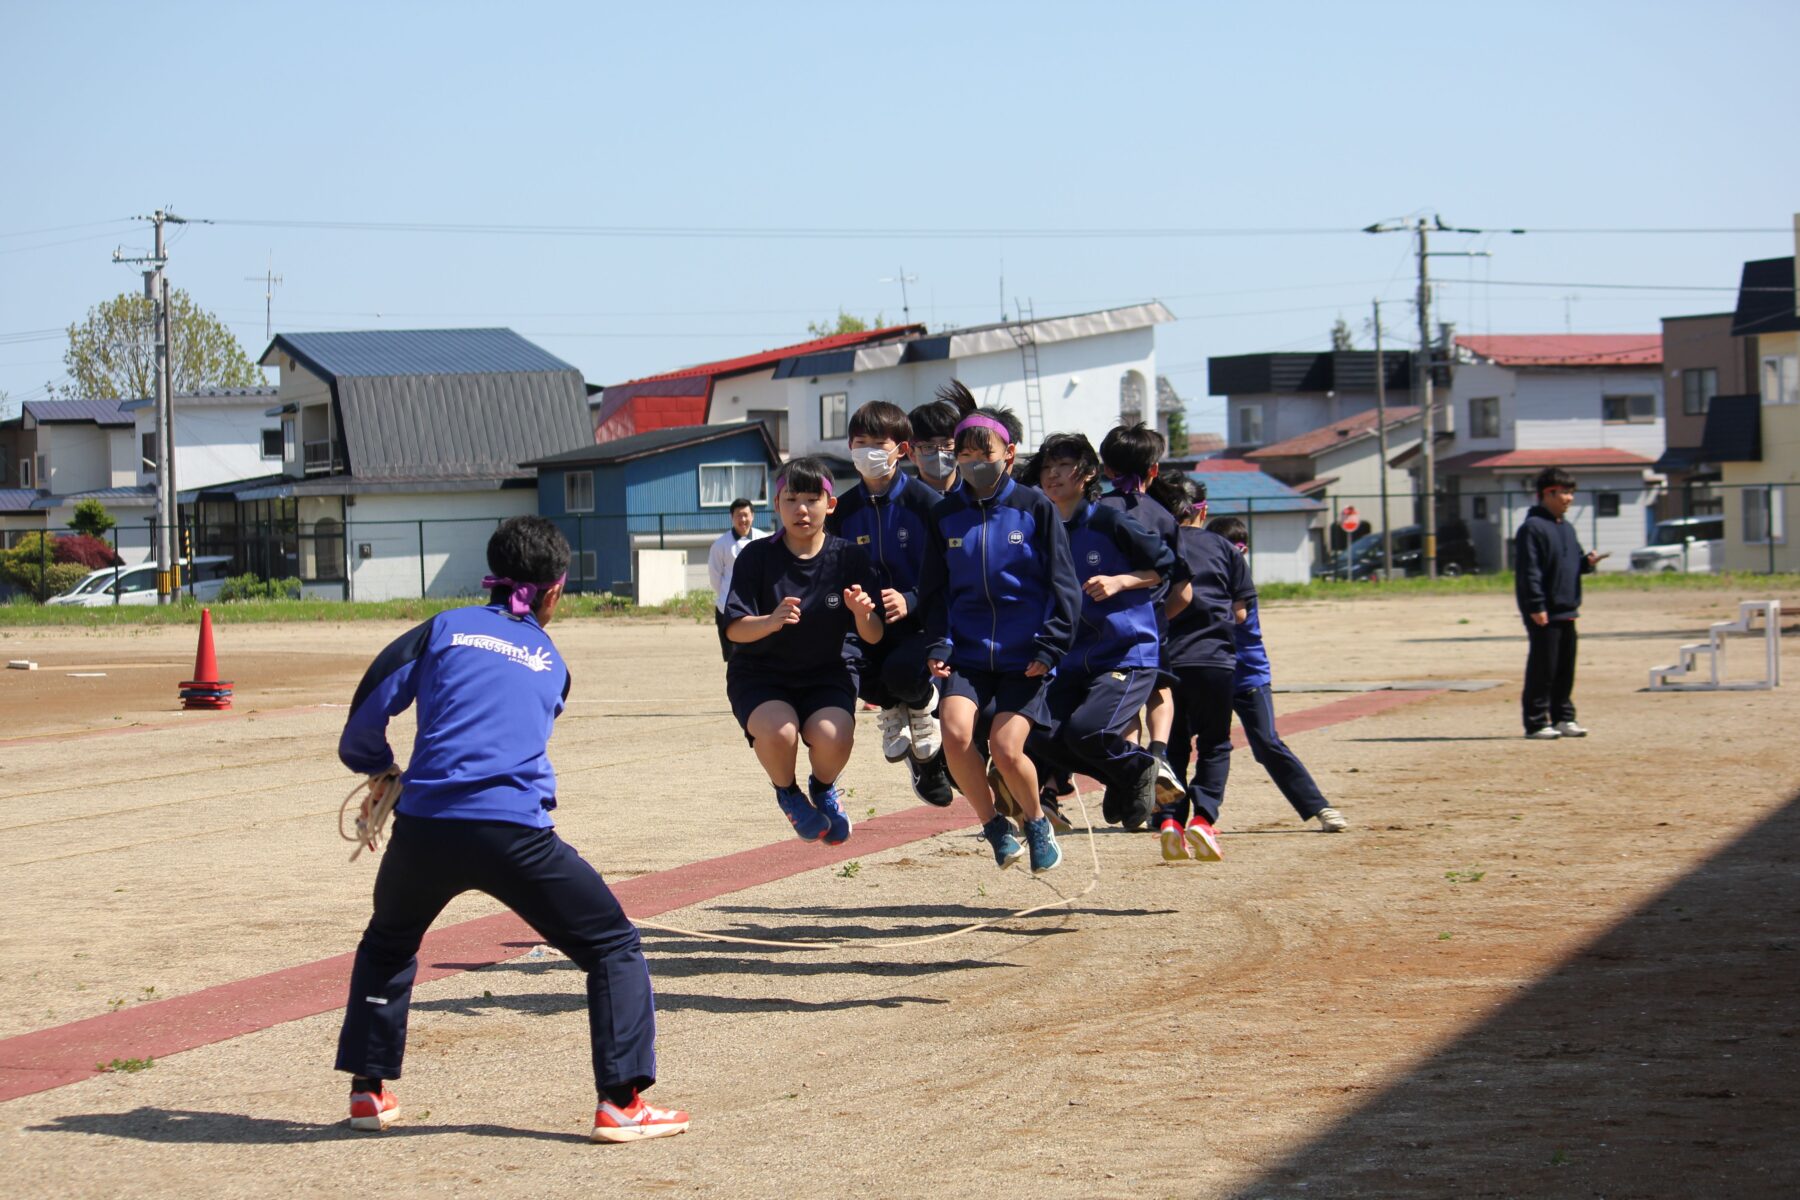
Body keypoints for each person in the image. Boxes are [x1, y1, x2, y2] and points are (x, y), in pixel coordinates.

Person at [334, 516, 688, 1143]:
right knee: (612, 947)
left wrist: (380, 769)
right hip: (513, 835)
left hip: (425, 829)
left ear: (491, 577)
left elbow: (365, 714)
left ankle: (369, 1090)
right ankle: (622, 1101)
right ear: (553, 592)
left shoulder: (441, 629)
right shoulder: (553, 662)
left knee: (388, 945)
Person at [917, 399, 1079, 874]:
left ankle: (1036, 823)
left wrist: (1051, 647)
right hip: (966, 655)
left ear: (1009, 454)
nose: (971, 462)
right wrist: (938, 642)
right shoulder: (944, 514)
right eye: (963, 454)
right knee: (954, 733)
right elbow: (935, 590)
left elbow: (1064, 587)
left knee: (1008, 750)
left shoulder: (1035, 509)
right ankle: (993, 827)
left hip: (1025, 656)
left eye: (982, 453)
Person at [1025, 432, 1183, 834]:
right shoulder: (1043, 527)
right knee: (1040, 734)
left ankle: (1144, 766)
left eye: (1064, 467)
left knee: (1086, 731)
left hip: (1125, 653)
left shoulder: (1110, 520)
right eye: (1047, 468)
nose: (1053, 475)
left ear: (1089, 473)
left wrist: (1122, 581)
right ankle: (1126, 777)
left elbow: (1169, 569)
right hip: (1072, 658)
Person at [724, 456, 884, 842]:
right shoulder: (756, 557)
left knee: (835, 734)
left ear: (830, 505)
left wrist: (863, 615)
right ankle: (788, 793)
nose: (801, 509)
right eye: (791, 499)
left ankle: (823, 786)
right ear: (776, 505)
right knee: (781, 732)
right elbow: (734, 630)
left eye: (812, 499)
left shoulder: (849, 557)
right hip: (762, 675)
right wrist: (770, 621)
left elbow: (875, 635)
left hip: (826, 672)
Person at [1206, 515, 1349, 835]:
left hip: (1248, 676)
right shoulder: (1203, 577)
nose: (1234, 556)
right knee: (1178, 741)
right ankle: (1163, 812)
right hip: (1210, 675)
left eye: (1239, 550)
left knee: (1267, 743)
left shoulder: (1238, 581)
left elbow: (1236, 615)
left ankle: (1319, 807)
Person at [826, 401, 942, 770]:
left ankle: (922, 703)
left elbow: (952, 571)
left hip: (921, 623)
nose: (869, 451)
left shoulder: (927, 504)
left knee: (902, 672)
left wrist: (913, 599)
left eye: (879, 443)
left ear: (901, 450)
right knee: (840, 666)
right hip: (866, 623)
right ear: (849, 447)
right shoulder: (840, 512)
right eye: (861, 442)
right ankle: (892, 708)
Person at [1150, 473, 1255, 862]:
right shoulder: (1224, 548)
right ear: (1203, 511)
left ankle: (1171, 820)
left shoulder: (1157, 546)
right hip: (1214, 660)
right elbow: (1241, 612)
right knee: (1214, 742)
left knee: (1174, 744)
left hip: (1169, 662)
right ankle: (1204, 819)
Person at [1096, 423, 1188, 817]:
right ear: (1153, 469)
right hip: (1150, 623)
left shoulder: (1095, 510)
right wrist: (1158, 616)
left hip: (1102, 624)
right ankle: (1160, 753)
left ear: (1105, 468)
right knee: (1159, 687)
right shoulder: (1163, 517)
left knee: (1124, 703)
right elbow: (1183, 591)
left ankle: (1133, 768)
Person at [1514, 466, 1606, 739]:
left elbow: (1571, 564)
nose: (1569, 498)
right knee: (1543, 667)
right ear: (1547, 493)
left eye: (1571, 493)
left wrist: (1586, 564)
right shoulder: (1532, 528)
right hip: (1545, 611)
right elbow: (1529, 571)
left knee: (1565, 667)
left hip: (1568, 608)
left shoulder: (1566, 528)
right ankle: (1536, 722)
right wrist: (1536, 605)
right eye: (1564, 492)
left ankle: (1563, 717)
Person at [708, 497, 767, 662]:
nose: (743, 519)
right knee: (734, 658)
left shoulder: (764, 540)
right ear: (731, 517)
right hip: (727, 608)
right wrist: (728, 595)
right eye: (738, 515)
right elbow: (715, 577)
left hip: (759, 607)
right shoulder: (721, 545)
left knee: (760, 656)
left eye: (746, 515)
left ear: (752, 516)